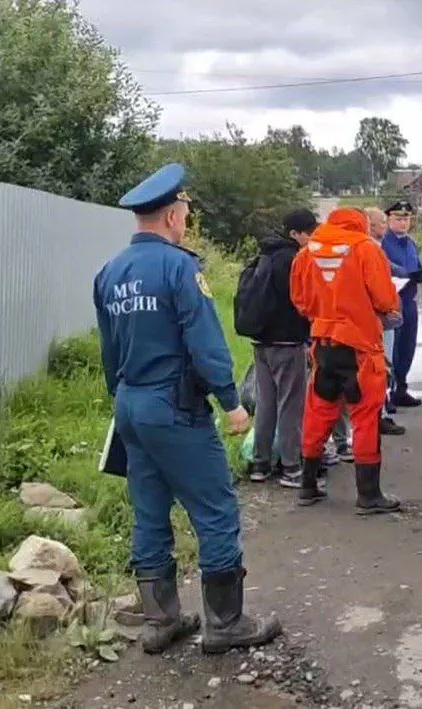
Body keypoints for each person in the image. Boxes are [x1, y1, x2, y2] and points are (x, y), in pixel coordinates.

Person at [93, 163, 282, 655]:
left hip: (130, 404)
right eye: (185, 214)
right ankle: (225, 624)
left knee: (149, 509)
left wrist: (123, 397)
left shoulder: (109, 273)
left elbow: (109, 351)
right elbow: (205, 341)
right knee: (215, 507)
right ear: (174, 216)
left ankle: (161, 621)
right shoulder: (179, 268)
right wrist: (230, 402)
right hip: (173, 406)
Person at [290, 207, 402, 512]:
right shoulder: (366, 249)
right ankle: (369, 495)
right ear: (360, 225)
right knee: (365, 418)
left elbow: (301, 302)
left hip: (324, 345)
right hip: (360, 347)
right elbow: (386, 299)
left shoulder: (306, 253)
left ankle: (307, 486)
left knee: (318, 413)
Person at [241, 208, 316, 487]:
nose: (312, 239)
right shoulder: (294, 260)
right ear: (295, 233)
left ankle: (260, 464)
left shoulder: (264, 255)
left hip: (261, 343)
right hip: (288, 343)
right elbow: (303, 301)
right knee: (291, 406)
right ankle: (292, 467)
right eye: (309, 233)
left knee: (266, 405)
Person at [379, 200, 422, 409]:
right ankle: (387, 393)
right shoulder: (383, 243)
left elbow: (416, 265)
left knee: (408, 346)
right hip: (392, 301)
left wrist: (419, 274)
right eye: (398, 218)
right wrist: (403, 274)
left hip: (410, 300)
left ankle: (401, 388)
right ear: (389, 219)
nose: (403, 222)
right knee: (392, 348)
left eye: (406, 219)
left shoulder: (411, 243)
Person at [364, 206, 406, 436]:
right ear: (369, 225)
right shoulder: (368, 248)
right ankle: (376, 415)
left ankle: (379, 411)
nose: (384, 226)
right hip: (379, 319)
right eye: (381, 222)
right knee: (380, 368)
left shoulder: (375, 247)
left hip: (382, 318)